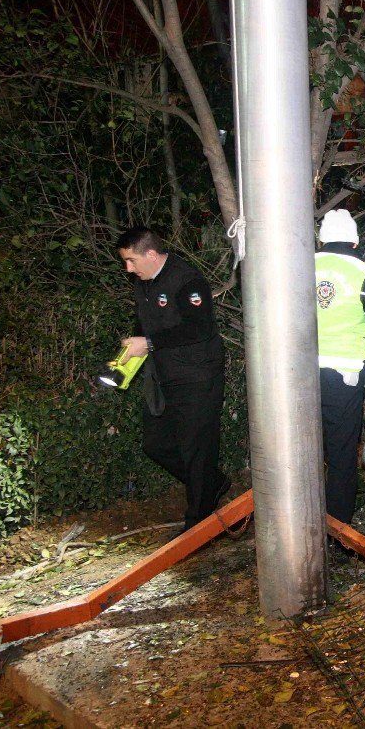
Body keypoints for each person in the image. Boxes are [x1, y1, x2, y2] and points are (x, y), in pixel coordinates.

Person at [116, 226, 229, 532]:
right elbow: (144, 323)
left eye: (131, 261)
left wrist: (149, 342)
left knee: (197, 450)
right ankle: (212, 484)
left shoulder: (187, 279)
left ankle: (199, 526)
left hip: (197, 376)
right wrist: (132, 348)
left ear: (150, 254)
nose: (128, 268)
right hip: (163, 376)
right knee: (156, 444)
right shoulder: (144, 283)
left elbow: (199, 329)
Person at [316, 209, 365, 524]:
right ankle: (337, 527)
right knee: (341, 453)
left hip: (297, 375)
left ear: (321, 239)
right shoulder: (363, 272)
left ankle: (299, 519)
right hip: (342, 377)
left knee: (301, 446)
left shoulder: (298, 267)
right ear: (356, 240)